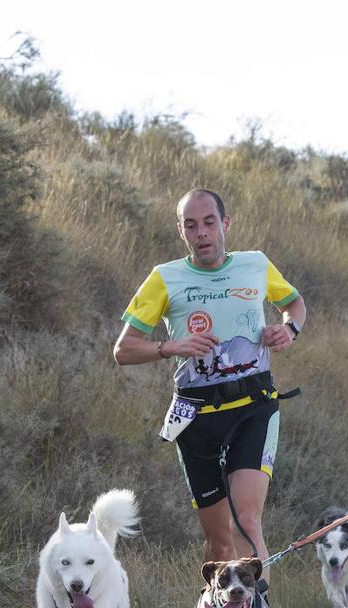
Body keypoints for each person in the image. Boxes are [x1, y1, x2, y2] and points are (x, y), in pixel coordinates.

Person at [113, 187, 307, 584]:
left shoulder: (255, 265)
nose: (201, 232)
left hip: (254, 407)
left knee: (246, 521)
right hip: (196, 418)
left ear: (225, 223)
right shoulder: (164, 278)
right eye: (191, 225)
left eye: (208, 222)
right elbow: (124, 350)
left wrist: (289, 330)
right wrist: (171, 346)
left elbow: (295, 303)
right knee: (220, 544)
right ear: (181, 231)